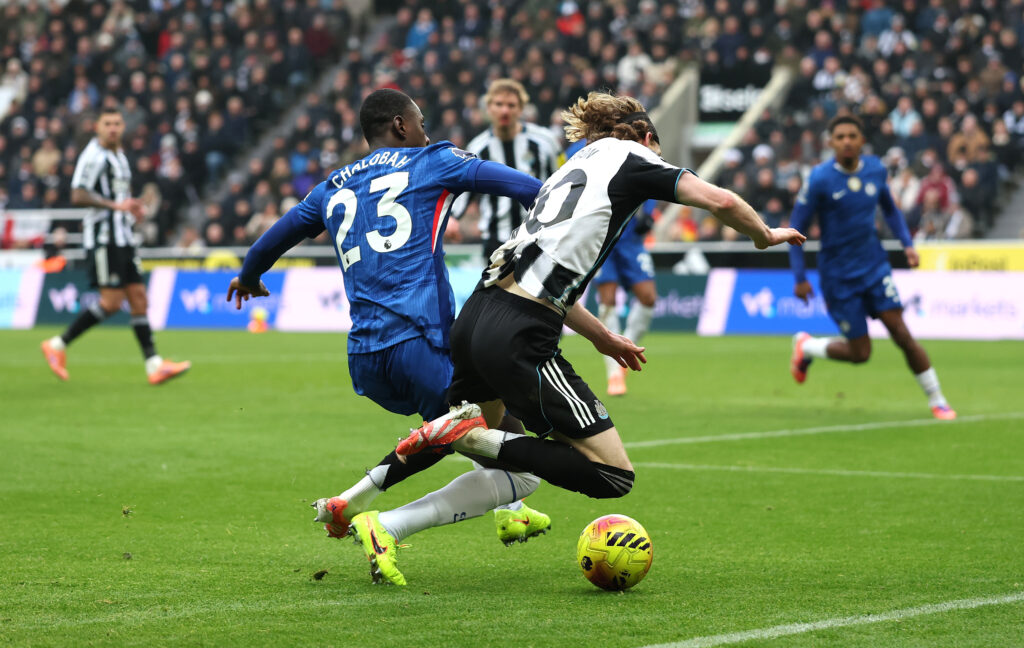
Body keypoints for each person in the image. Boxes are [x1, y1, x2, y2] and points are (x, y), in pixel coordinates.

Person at [369, 92, 804, 584]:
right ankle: (461, 436)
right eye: (657, 149)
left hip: (476, 316)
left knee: (499, 458)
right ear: (645, 137)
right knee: (612, 474)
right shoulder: (636, 158)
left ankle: (384, 519)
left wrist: (602, 337)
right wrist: (763, 233)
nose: (660, 161)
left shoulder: (570, 168)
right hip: (520, 332)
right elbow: (720, 199)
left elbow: (541, 270)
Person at [226, 89, 552, 585]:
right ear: (401, 125)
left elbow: (275, 236)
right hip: (418, 340)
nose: (425, 129)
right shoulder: (433, 161)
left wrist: (249, 275)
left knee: (490, 406)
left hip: (365, 357)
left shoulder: (331, 186)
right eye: (420, 121)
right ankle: (357, 507)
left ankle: (513, 511)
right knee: (493, 449)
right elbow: (527, 187)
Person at [786, 114, 956, 420]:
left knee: (902, 334)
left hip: (875, 268)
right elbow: (796, 226)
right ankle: (807, 346)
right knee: (860, 354)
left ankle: (938, 400)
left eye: (853, 135)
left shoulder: (876, 169)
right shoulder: (820, 179)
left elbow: (889, 209)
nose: (847, 141)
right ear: (831, 143)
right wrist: (799, 277)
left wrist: (908, 244)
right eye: (840, 137)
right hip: (838, 277)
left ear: (862, 140)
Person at [40, 105, 190, 385]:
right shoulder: (94, 155)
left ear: (123, 127)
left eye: (117, 123)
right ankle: (57, 345)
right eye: (107, 123)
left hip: (123, 236)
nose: (112, 128)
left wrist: (131, 207)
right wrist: (115, 205)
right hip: (103, 238)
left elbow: (119, 195)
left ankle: (154, 365)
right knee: (111, 302)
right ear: (97, 127)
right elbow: (77, 195)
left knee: (138, 298)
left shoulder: (119, 155)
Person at [450, 79, 564, 261]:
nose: (505, 110)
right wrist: (452, 218)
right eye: (499, 104)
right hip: (496, 241)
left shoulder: (546, 141)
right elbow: (463, 192)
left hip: (540, 237)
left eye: (511, 105)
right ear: (489, 108)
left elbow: (564, 180)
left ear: (521, 108)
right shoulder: (478, 148)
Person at [595, 198, 658, 396]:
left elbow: (651, 186)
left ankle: (626, 347)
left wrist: (648, 213)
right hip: (604, 238)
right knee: (608, 300)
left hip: (632, 241)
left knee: (648, 297)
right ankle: (614, 372)